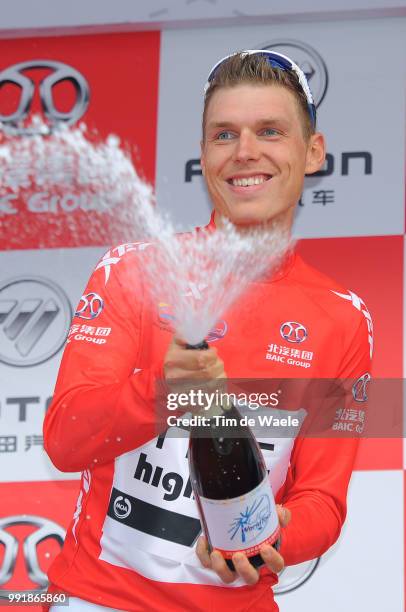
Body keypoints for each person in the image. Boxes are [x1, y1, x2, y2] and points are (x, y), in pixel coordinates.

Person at [44, 50, 372, 611]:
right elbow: (64, 441)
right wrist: (159, 394)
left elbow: (323, 500)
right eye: (225, 134)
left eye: (270, 131)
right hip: (101, 599)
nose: (246, 152)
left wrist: (273, 534)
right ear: (204, 156)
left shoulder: (345, 319)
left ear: (312, 152)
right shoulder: (132, 270)